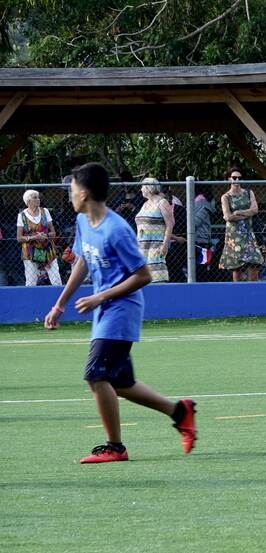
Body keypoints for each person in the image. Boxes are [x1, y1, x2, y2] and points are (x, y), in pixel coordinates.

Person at [43, 162, 197, 464]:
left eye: (72, 190)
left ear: (84, 193)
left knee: (96, 375)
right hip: (104, 310)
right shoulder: (83, 223)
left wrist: (100, 296)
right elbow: (82, 263)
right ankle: (180, 411)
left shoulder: (117, 229)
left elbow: (143, 275)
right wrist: (59, 304)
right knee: (121, 383)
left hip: (122, 309)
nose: (69, 195)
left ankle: (115, 446)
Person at [218, 167, 264, 282]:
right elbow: (228, 217)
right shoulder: (225, 197)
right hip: (234, 235)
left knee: (253, 262)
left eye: (239, 177)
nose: (237, 179)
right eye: (234, 177)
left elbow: (255, 209)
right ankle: (238, 291)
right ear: (229, 179)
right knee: (236, 266)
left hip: (248, 232)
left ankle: (253, 291)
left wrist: (239, 212)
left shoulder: (249, 192)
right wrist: (247, 214)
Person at [16, 189, 62, 286]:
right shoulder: (22, 216)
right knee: (31, 281)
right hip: (30, 251)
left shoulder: (45, 211)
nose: (38, 199)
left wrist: (45, 236)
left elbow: (53, 232)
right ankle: (29, 300)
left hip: (47, 249)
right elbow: (19, 238)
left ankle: (60, 299)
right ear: (28, 201)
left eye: (38, 197)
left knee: (56, 280)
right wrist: (34, 237)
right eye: (35, 198)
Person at [135, 178, 173, 283]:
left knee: (157, 277)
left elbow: (170, 224)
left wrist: (164, 245)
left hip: (155, 246)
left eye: (142, 187)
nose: (141, 189)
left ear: (149, 188)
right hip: (142, 247)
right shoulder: (145, 204)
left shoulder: (162, 202)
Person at [193, 185, 216, 282]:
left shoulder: (200, 203)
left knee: (200, 269)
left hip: (200, 240)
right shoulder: (204, 202)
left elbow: (194, 223)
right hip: (201, 239)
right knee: (200, 269)